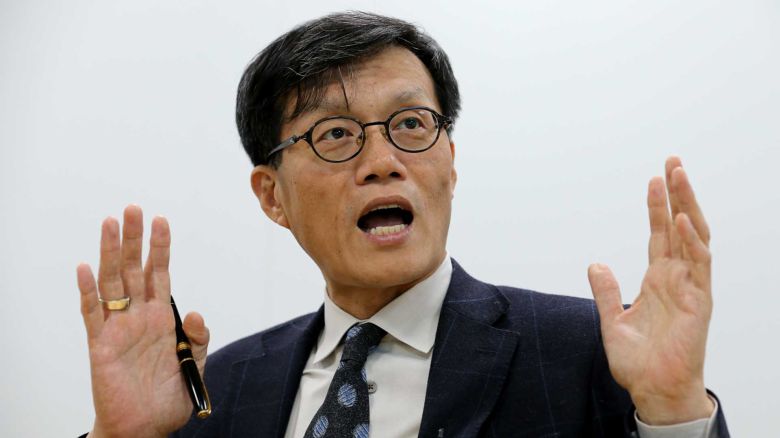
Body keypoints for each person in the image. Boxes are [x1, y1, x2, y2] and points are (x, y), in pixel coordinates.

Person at [76, 11, 729, 438]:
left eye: (412, 124)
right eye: (336, 134)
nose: (383, 161)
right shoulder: (216, 390)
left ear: (451, 160)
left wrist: (675, 411)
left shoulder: (589, 352)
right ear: (273, 197)